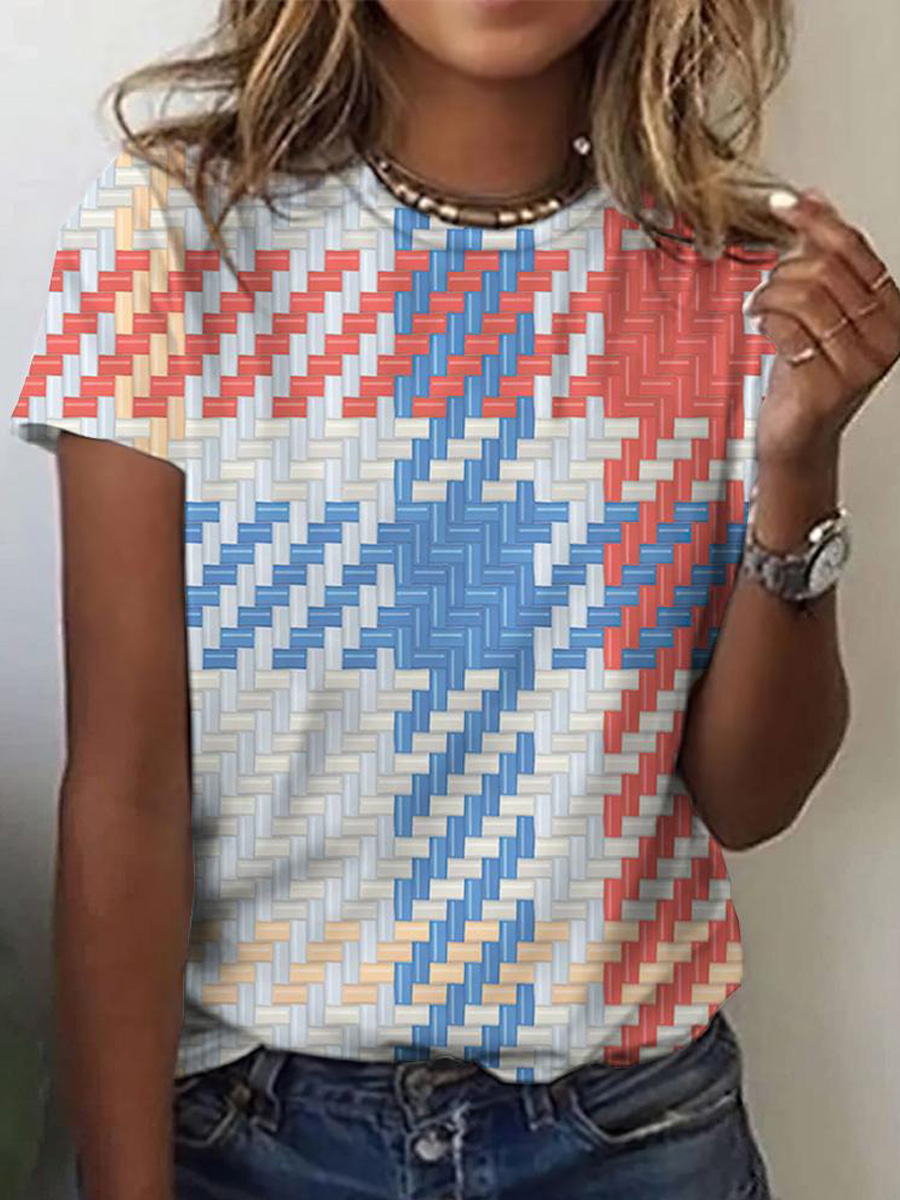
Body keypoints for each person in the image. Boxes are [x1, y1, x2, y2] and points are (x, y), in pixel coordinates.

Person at [9, 1, 899, 1198]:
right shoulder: (174, 233)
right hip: (250, 1137)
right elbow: (126, 793)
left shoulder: (745, 278)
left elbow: (748, 798)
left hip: (633, 1133)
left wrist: (801, 458)